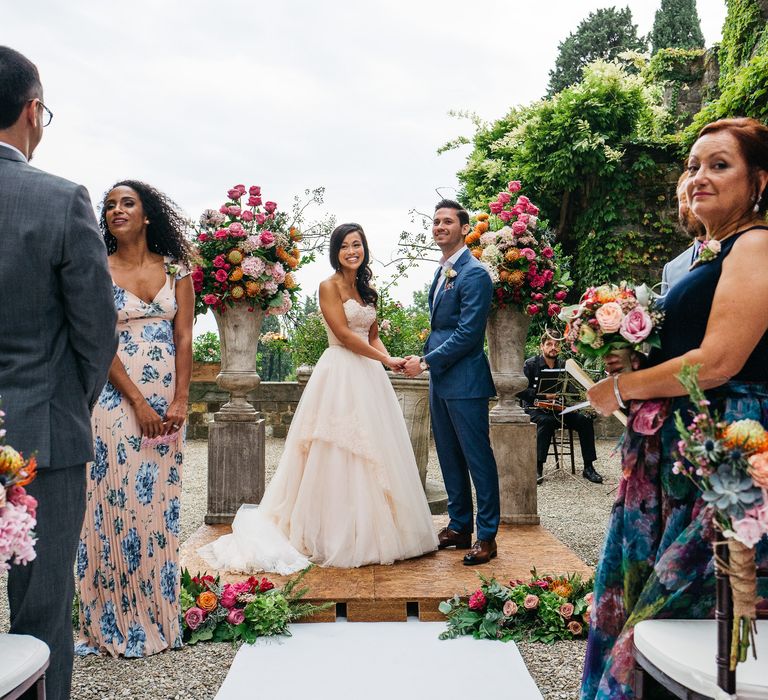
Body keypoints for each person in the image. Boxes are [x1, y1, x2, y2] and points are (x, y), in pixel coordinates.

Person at [581, 117, 768, 700]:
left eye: (719, 165)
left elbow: (718, 362)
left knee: (691, 602)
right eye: (693, 166)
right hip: (678, 452)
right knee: (656, 604)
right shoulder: (707, 254)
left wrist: (622, 390)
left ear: (759, 181)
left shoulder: (757, 244)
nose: (700, 177)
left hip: (727, 453)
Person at [199, 223, 437, 573]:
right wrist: (384, 360)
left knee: (375, 450)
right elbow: (342, 335)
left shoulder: (369, 292)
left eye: (357, 244)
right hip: (340, 373)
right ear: (336, 252)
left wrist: (391, 361)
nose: (351, 251)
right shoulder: (328, 286)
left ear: (365, 249)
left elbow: (371, 336)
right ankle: (329, 532)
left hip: (370, 377)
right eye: (344, 246)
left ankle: (373, 530)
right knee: (337, 448)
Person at [0, 47, 117, 699]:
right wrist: (62, 406)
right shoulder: (59, 199)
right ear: (32, 110)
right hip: (43, 436)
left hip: (41, 429)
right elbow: (96, 338)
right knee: (42, 618)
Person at [75, 181, 194, 657]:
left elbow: (184, 337)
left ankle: (158, 613)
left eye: (127, 203)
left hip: (168, 400)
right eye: (109, 206)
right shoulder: (96, 270)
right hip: (114, 398)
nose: (116, 211)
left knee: (158, 507)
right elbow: (98, 342)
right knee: (115, 500)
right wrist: (139, 403)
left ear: (148, 215)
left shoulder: (178, 269)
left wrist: (180, 400)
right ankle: (113, 612)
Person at [402, 200, 499, 566]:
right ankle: (459, 527)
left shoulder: (474, 274)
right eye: (436, 222)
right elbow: (441, 327)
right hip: (440, 381)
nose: (440, 227)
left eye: (447, 222)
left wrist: (425, 361)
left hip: (467, 381)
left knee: (478, 460)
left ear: (463, 228)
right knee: (448, 457)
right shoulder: (443, 271)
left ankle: (487, 536)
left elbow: (468, 334)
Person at [518, 332, 603, 485]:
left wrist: (576, 401)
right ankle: (537, 468)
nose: (553, 348)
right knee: (546, 421)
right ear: (541, 346)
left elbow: (572, 391)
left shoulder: (564, 365)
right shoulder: (530, 364)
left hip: (558, 410)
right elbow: (521, 391)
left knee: (585, 420)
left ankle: (588, 467)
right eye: (549, 344)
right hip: (535, 410)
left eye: (556, 345)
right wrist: (545, 396)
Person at [660, 171, 708, 294]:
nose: (692, 205)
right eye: (684, 199)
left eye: (697, 196)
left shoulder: (747, 255)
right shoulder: (670, 270)